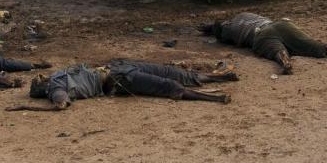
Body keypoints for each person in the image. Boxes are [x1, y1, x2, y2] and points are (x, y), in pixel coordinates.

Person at [27, 60, 237, 110]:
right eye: (38, 81)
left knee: (173, 72)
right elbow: (61, 103)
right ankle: (214, 98)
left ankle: (219, 78)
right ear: (41, 88)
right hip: (118, 81)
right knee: (168, 84)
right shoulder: (54, 87)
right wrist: (56, 100)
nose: (40, 77)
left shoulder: (58, 76)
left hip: (118, 68)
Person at [201, 12, 327, 74]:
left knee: (276, 50)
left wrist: (208, 29)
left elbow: (218, 27)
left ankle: (285, 63)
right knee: (312, 44)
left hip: (260, 34)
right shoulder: (247, 15)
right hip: (280, 24)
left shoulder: (230, 27)